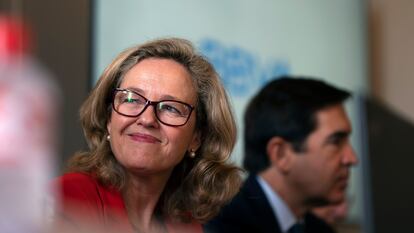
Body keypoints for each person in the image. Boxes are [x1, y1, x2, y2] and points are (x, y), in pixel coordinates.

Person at [52, 38, 242, 233]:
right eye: (131, 99)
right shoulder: (67, 198)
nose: (147, 119)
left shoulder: (188, 225)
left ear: (196, 137)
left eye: (170, 108)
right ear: (109, 118)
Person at [205, 77, 358, 233]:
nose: (352, 158)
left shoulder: (321, 230)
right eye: (336, 142)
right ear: (280, 154)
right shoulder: (218, 225)